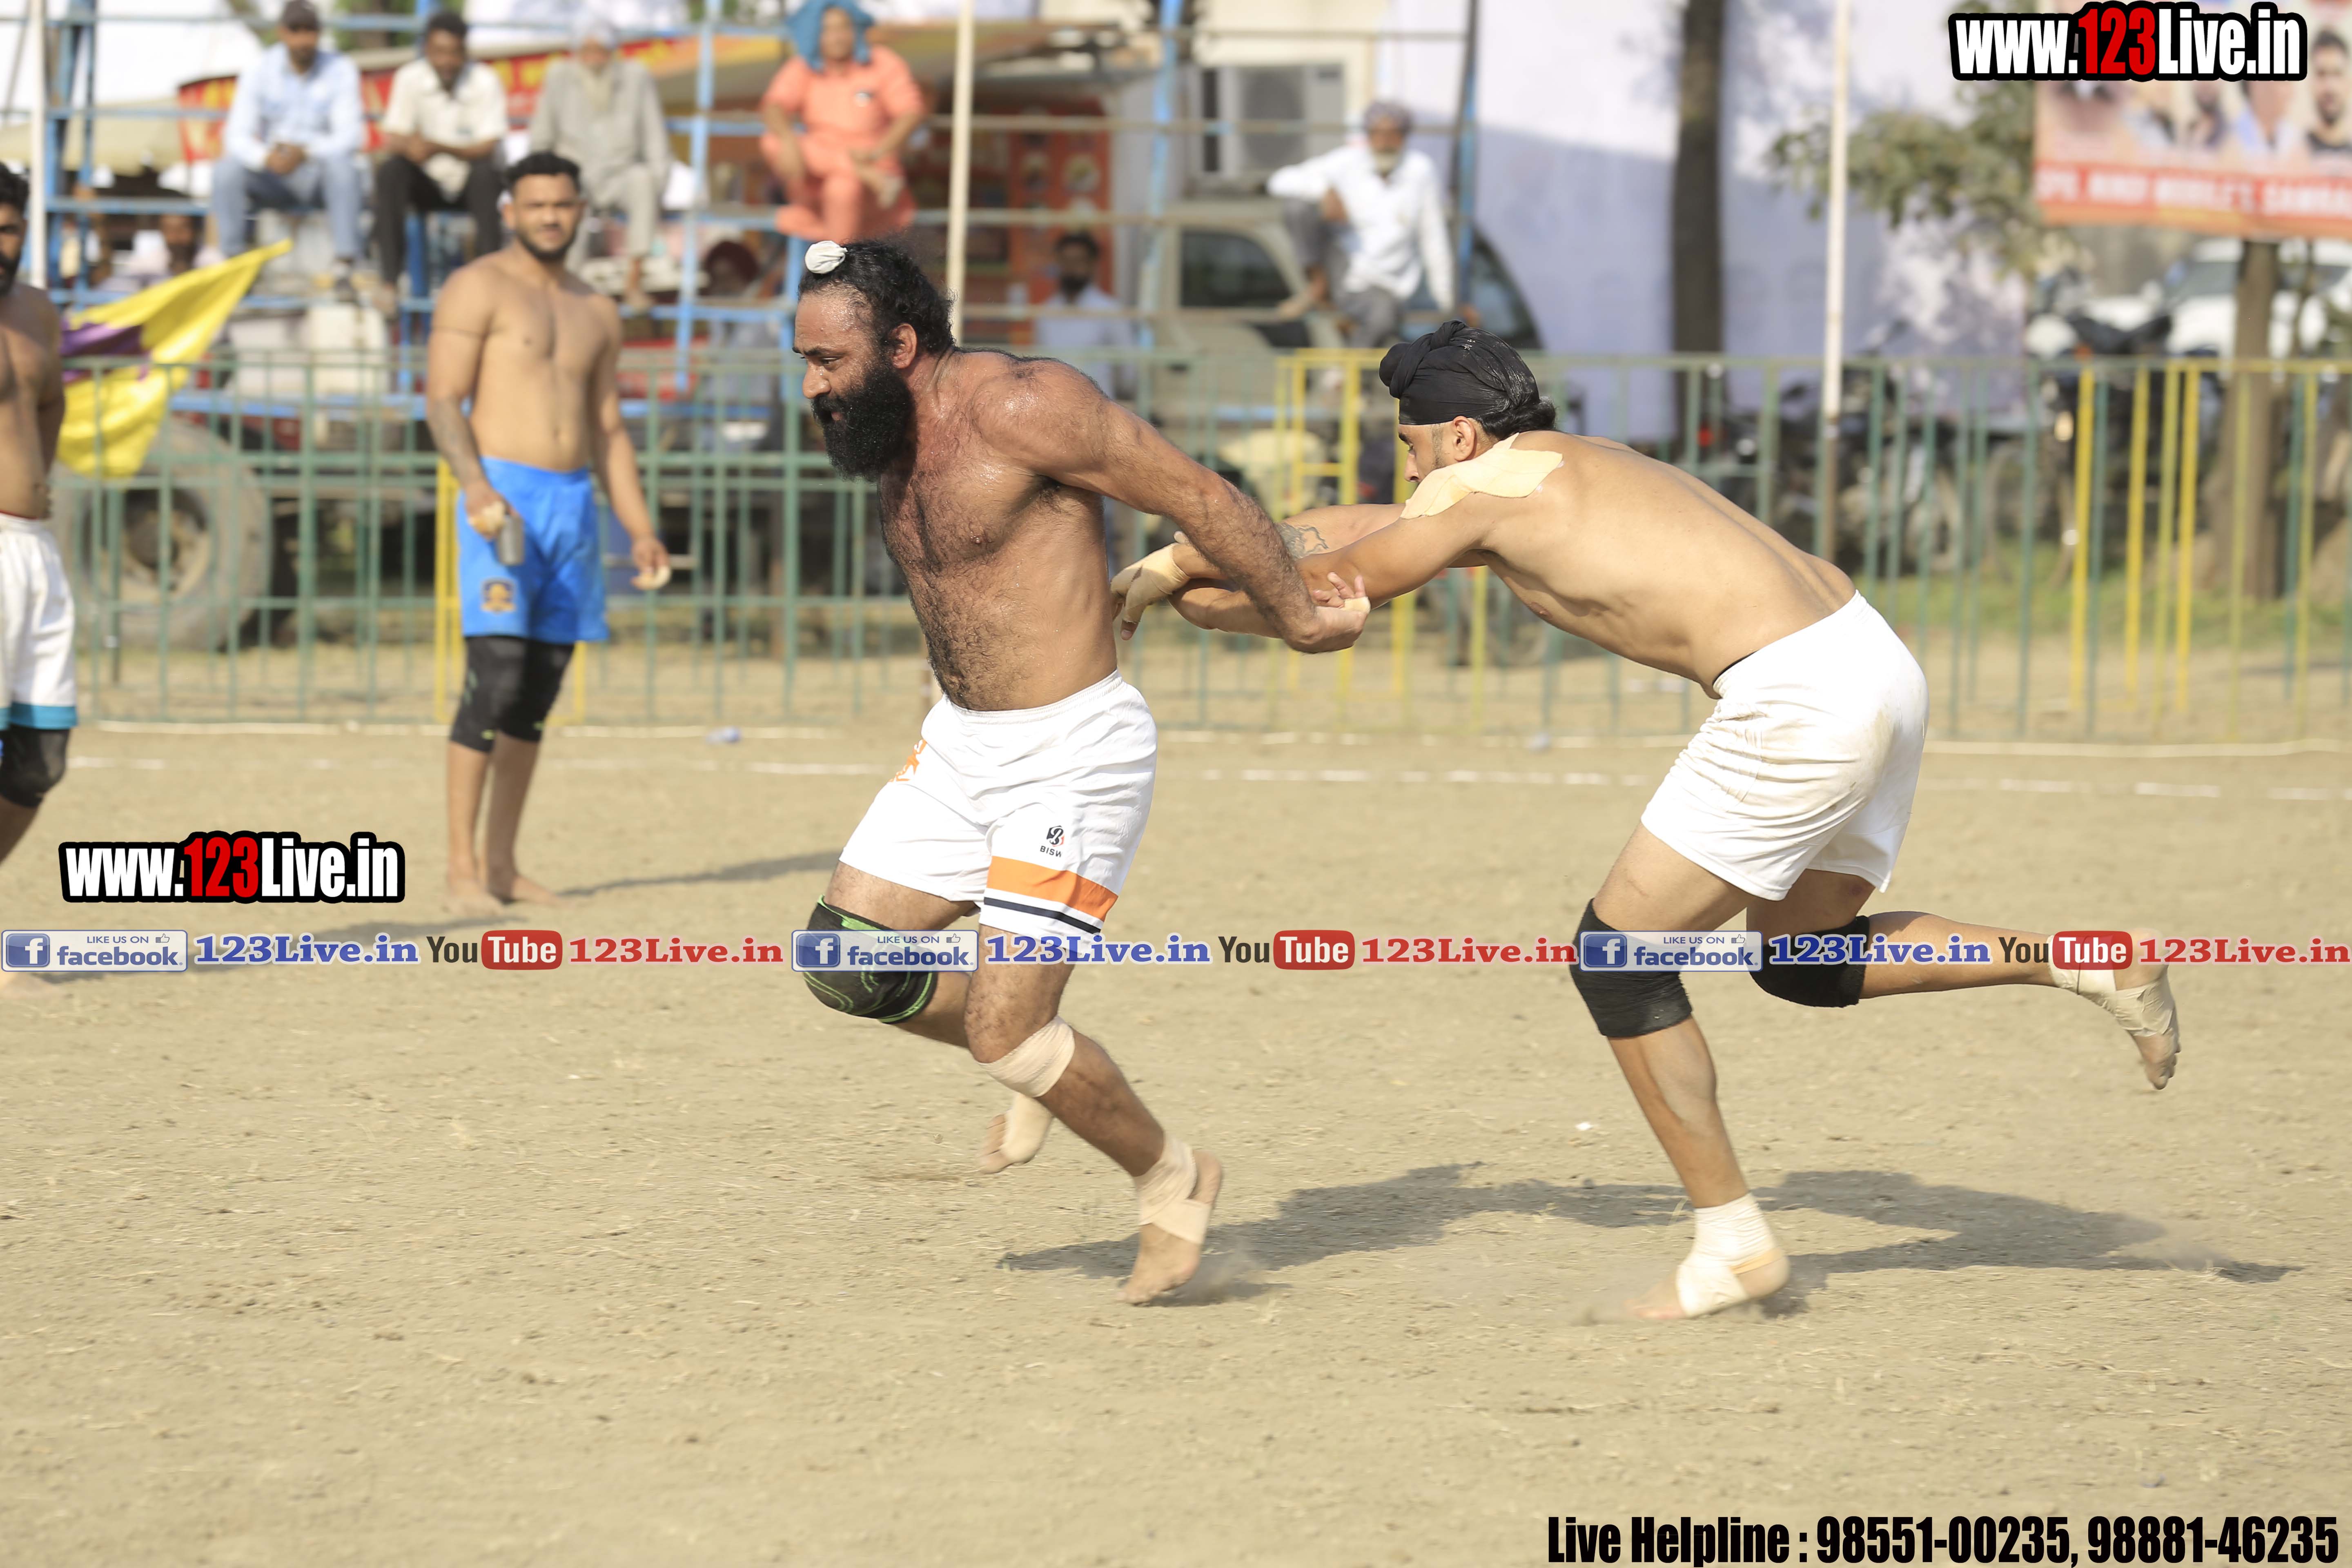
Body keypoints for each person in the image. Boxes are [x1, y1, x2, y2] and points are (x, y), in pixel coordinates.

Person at [1122, 322, 2185, 1321]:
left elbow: (1323, 595)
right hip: (1871, 659)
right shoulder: (1567, 465)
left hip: (1798, 697)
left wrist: (1181, 586)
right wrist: (1203, 549)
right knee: (1805, 960)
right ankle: (2085, 961)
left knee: (1619, 962)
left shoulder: (1480, 491)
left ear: (1460, 435)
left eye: (1411, 447)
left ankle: (1733, 1243)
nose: (1407, 471)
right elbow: (1371, 525)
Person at [788, 239, 1366, 1303]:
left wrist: (1295, 615)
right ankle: (1038, 1057)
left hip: (1069, 754)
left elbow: (1201, 496)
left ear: (903, 346)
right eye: (806, 363)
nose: (814, 388)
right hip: (961, 743)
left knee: (1007, 1031)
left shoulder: (1026, 406)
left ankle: (1172, 1178)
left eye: (829, 362)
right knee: (844, 961)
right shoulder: (889, 432)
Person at [424, 152, 670, 914]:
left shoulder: (597, 309)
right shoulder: (477, 287)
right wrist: (474, 484)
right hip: (502, 497)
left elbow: (608, 429)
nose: (551, 217)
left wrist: (639, 527)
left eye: (562, 205)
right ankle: (461, 870)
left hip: (573, 505)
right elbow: (442, 398)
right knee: (494, 677)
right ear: (511, 211)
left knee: (536, 691)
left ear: (581, 211)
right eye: (536, 205)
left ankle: (503, 866)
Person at [0, 169, 76, 996]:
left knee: (37, 761)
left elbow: (49, 402)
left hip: (32, 550)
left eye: (8, 229)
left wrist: (35, 482)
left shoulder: (37, 310)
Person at [1266, 102, 1458, 348]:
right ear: (1368, 136)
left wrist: (1447, 301)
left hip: (1389, 283)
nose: (1385, 142)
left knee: (1383, 316)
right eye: (1377, 134)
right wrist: (1323, 191)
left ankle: (1347, 367)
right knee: (1297, 207)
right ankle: (1318, 287)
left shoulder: (1420, 170)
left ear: (1404, 137)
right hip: (1344, 270)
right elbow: (1279, 180)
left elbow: (1433, 238)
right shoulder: (1347, 162)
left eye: (1393, 134)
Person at [211, 0, 366, 298]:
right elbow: (236, 136)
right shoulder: (260, 68)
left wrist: (305, 153)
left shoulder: (341, 69)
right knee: (227, 171)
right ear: (282, 32)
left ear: (320, 33)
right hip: (273, 174)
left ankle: (345, 268)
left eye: (310, 30)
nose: (303, 39)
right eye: (296, 30)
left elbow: (351, 137)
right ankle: (235, 266)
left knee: (344, 168)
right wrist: (265, 157)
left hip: (319, 174)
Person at [528, 17, 673, 315]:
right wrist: (544, 184)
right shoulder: (559, 77)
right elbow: (541, 139)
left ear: (612, 50)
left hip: (622, 175)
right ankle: (565, 285)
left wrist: (658, 184)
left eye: (601, 48)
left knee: (644, 180)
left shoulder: (636, 77)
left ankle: (634, 281)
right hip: (575, 175)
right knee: (567, 194)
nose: (594, 55)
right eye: (588, 48)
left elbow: (656, 141)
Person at [374, 11, 510, 314]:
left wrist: (439, 147)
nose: (447, 61)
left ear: (465, 52)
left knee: (487, 175)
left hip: (472, 186)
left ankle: (491, 285)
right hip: (427, 183)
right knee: (391, 172)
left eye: (454, 53)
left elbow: (490, 145)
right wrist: (412, 147)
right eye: (439, 52)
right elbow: (393, 136)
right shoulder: (409, 77)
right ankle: (389, 283)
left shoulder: (485, 81)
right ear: (426, 50)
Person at [760, 3, 924, 255]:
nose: (837, 37)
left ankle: (839, 266)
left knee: (843, 186)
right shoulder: (804, 67)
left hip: (873, 173)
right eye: (827, 30)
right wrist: (789, 139)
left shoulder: (882, 63)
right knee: (773, 141)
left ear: (856, 28)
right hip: (819, 179)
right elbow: (774, 106)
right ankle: (864, 175)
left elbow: (911, 112)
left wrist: (877, 153)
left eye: (843, 28)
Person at [1029, 231, 1135, 399]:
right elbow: (1038, 366)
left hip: (1098, 406)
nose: (1071, 268)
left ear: (1092, 264)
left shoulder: (1110, 311)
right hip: (1054, 405)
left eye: (1078, 261)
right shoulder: (1046, 313)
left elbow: (1128, 370)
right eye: (1066, 261)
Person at [2310, 33, 2352, 160]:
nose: (2330, 87)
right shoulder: (2292, 155)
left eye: (2337, 74)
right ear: (2311, 83)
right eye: (2322, 74)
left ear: (2348, 82)